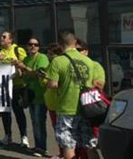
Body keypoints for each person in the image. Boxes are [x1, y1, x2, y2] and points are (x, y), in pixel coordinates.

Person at [46, 31, 100, 159]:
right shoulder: (88, 61)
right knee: (90, 145)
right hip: (86, 107)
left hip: (66, 108)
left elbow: (52, 84)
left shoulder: (58, 61)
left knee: (68, 145)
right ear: (75, 43)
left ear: (60, 44)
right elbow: (93, 83)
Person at [0, 30, 29, 147]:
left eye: (4, 37)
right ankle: (8, 135)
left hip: (17, 86)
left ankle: (24, 136)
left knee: (19, 112)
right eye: (1, 36)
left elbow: (25, 64)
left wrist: (18, 63)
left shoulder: (18, 50)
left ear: (10, 40)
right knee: (5, 112)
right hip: (3, 87)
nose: (1, 38)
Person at [16, 37, 50, 157]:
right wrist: (17, 67)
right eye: (30, 44)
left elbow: (38, 73)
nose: (33, 46)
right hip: (30, 95)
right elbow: (23, 76)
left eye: (36, 45)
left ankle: (42, 148)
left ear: (39, 47)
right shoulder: (26, 58)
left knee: (39, 122)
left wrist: (24, 68)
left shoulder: (42, 58)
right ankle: (38, 145)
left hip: (40, 94)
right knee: (34, 122)